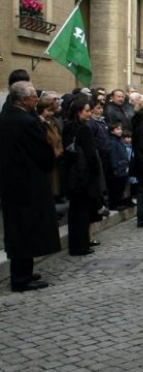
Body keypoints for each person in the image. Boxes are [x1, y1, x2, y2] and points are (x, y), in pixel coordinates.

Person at [0, 81, 60, 292]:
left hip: (13, 182)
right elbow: (42, 151)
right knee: (25, 229)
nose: (37, 99)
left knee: (21, 229)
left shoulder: (7, 117)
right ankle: (21, 277)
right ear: (23, 99)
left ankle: (24, 270)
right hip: (27, 182)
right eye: (34, 96)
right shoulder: (25, 121)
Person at [63, 96, 107, 256]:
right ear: (79, 111)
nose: (90, 114)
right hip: (84, 176)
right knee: (83, 212)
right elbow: (91, 155)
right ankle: (81, 246)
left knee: (75, 212)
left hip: (72, 175)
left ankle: (76, 244)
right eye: (87, 111)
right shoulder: (84, 129)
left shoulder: (67, 127)